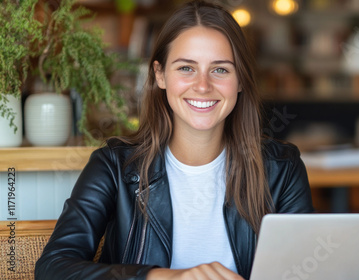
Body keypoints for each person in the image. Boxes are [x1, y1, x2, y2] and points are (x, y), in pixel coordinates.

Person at [35, 1, 314, 279]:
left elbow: (306, 271)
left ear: (240, 80)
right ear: (160, 75)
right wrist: (163, 277)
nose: (203, 86)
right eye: (185, 68)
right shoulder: (115, 167)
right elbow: (53, 268)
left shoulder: (281, 168)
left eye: (220, 70)